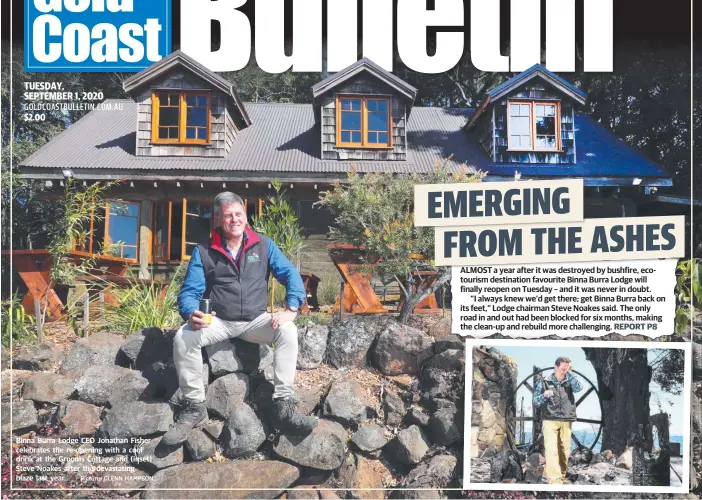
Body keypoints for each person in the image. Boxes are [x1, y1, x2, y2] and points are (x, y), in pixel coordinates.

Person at [162, 192, 317, 446]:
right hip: (218, 321)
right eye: (228, 215)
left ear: (245, 216)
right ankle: (194, 406)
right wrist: (192, 313)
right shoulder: (204, 251)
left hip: (256, 321)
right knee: (183, 337)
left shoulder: (264, 245)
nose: (234, 219)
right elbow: (189, 292)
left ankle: (283, 407)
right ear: (218, 220)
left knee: (287, 330)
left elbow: (290, 274)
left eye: (238, 214)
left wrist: (290, 307)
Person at [532, 356, 583, 484]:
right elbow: (535, 401)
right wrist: (544, 395)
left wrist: (569, 373)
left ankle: (562, 475)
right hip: (549, 419)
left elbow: (579, 388)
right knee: (551, 450)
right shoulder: (544, 382)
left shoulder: (570, 381)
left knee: (564, 450)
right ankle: (554, 480)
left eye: (566, 369)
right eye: (562, 369)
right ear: (555, 367)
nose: (564, 371)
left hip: (566, 419)